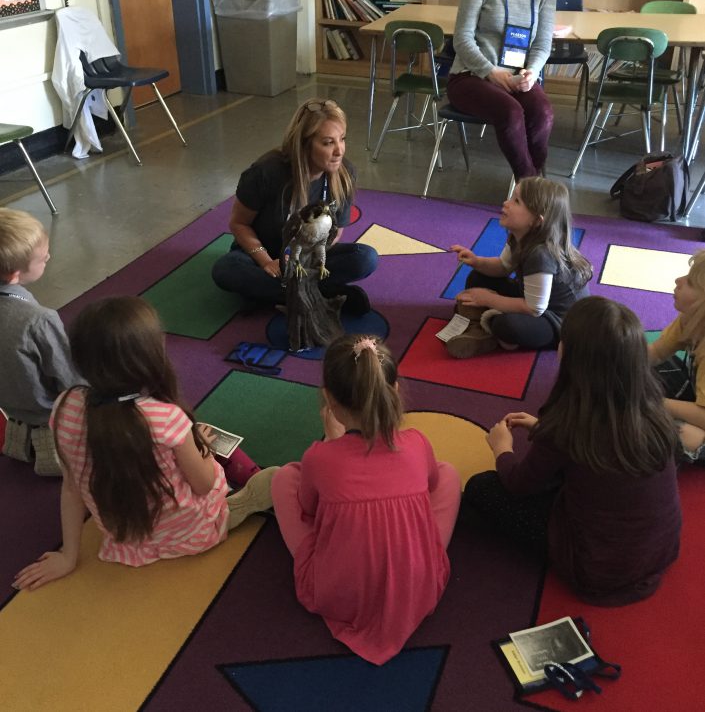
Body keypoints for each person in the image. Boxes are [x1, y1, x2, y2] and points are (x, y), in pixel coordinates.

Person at [12, 296, 277, 590]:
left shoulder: (65, 406)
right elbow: (202, 484)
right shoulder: (166, 419)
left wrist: (68, 555)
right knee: (244, 465)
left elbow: (72, 487)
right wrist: (201, 448)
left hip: (127, 539)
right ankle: (245, 496)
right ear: (149, 357)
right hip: (192, 535)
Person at [463, 296, 682, 606]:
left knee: (481, 488)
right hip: (659, 552)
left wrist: (503, 449)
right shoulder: (653, 411)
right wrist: (541, 428)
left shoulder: (568, 424)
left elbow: (519, 483)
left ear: (570, 356)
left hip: (594, 569)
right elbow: (601, 453)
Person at [271, 334, 461, 665]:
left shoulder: (319, 457)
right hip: (418, 587)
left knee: (284, 477)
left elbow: (308, 508)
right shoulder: (416, 441)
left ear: (328, 400)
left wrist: (332, 444)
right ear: (396, 390)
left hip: (336, 593)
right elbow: (432, 484)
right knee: (448, 474)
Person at [212, 99, 378, 316]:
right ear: (304, 144)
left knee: (365, 258)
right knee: (226, 270)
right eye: (328, 143)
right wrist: (266, 262)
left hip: (308, 256)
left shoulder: (345, 173)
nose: (339, 150)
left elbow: (336, 232)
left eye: (342, 139)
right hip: (263, 253)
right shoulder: (266, 172)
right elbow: (239, 223)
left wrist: (306, 257)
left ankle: (272, 295)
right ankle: (322, 293)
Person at [447, 0, 557, 180]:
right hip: (471, 76)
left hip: (518, 76)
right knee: (511, 113)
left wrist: (532, 72)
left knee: (543, 114)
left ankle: (535, 183)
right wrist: (491, 71)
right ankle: (531, 186)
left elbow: (543, 43)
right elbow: (461, 37)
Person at [445, 177, 592, 358]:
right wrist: (477, 261)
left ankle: (488, 331)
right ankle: (486, 325)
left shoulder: (541, 254)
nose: (505, 203)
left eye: (516, 201)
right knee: (477, 277)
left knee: (507, 326)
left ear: (537, 221)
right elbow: (503, 266)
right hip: (533, 299)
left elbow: (534, 309)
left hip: (558, 321)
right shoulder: (519, 235)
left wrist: (488, 299)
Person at [0, 208, 81, 475]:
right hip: (49, 415)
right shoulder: (39, 320)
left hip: (10, 406)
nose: (49, 257)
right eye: (42, 258)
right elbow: (70, 380)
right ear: (14, 274)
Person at [649, 249, 705, 462]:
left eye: (690, 282)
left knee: (685, 436)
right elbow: (656, 352)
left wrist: (653, 401)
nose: (678, 280)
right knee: (637, 369)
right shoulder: (691, 319)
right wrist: (622, 366)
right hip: (697, 394)